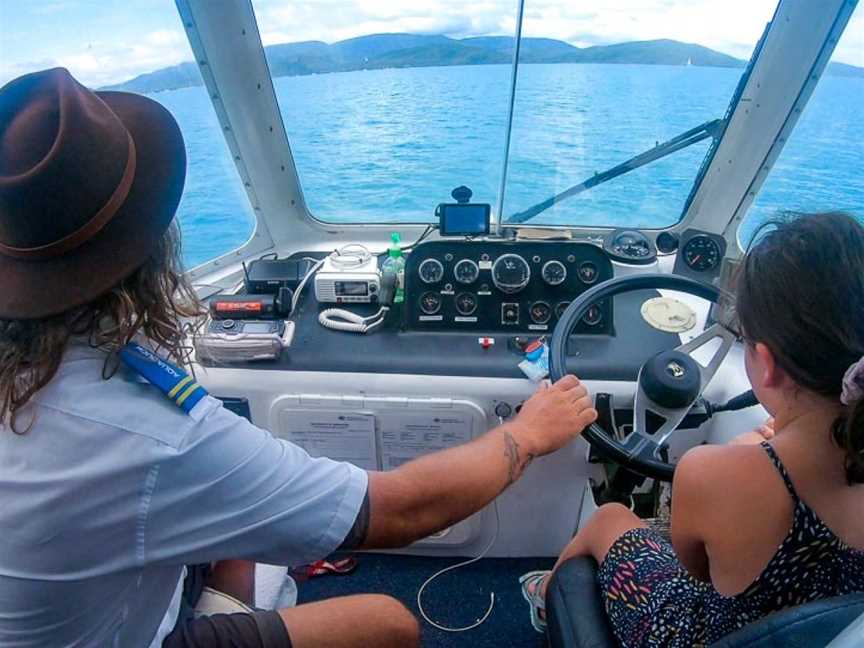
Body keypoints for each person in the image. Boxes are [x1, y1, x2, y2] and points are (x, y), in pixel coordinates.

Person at [0, 68, 598, 648]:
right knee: (386, 624)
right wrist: (528, 432)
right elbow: (399, 510)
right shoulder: (153, 433)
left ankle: (223, 599)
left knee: (237, 524)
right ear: (151, 253)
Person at [521, 212, 864, 646]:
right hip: (828, 630)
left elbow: (692, 568)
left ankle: (546, 597)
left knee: (609, 517)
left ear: (769, 364)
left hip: (705, 634)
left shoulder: (714, 473)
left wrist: (748, 458)